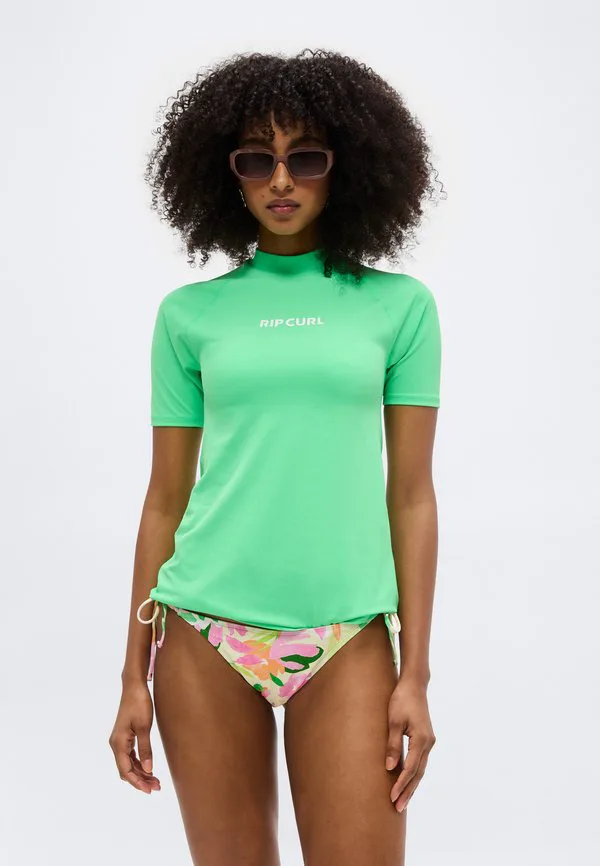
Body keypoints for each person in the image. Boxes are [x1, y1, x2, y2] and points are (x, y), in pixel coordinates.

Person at [109, 47, 444, 866]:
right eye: (257, 160)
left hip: (348, 632)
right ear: (228, 174)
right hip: (203, 629)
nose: (281, 180)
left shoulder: (400, 309)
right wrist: (130, 678)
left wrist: (416, 674)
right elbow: (164, 499)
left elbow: (411, 496)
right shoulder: (189, 317)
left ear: (347, 166)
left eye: (307, 158)